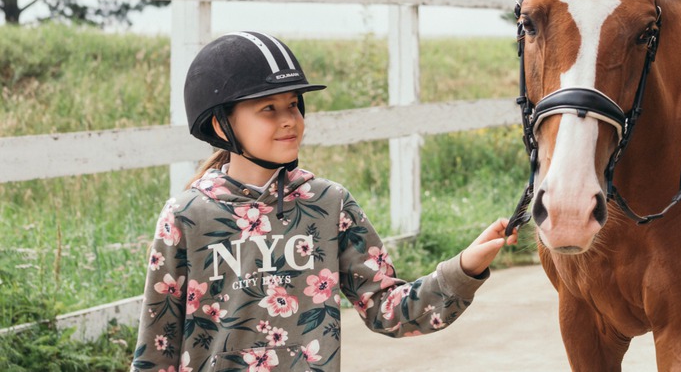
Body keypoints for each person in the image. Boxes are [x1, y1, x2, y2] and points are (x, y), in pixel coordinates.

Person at [131, 31, 518, 372]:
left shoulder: (329, 205)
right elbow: (156, 349)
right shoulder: (186, 217)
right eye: (269, 108)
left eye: (294, 104)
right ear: (220, 125)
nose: (290, 120)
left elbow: (389, 311)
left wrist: (465, 267)